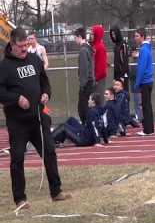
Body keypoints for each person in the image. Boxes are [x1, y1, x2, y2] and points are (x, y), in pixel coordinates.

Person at [0, 27, 71, 209]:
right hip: (18, 122)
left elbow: (44, 81)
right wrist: (16, 99)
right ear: (12, 44)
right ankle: (20, 199)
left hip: (38, 118)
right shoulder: (5, 67)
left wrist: (46, 93)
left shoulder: (34, 59)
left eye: (26, 45)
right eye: (21, 46)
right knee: (17, 159)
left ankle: (56, 191)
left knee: (49, 152)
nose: (24, 50)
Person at [133, 28, 154, 136]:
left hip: (145, 82)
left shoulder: (144, 49)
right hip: (149, 81)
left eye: (137, 36)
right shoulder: (147, 48)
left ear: (142, 36)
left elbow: (141, 68)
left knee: (145, 106)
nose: (135, 38)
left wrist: (137, 83)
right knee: (147, 105)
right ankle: (150, 129)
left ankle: (147, 129)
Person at [75, 27, 96, 124]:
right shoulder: (88, 48)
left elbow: (84, 70)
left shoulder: (83, 50)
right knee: (86, 107)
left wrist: (82, 85)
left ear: (79, 37)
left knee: (82, 109)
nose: (75, 40)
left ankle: (87, 128)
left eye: (75, 37)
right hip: (90, 82)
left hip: (86, 84)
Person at [110, 25, 130, 91]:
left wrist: (123, 76)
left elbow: (125, 61)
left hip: (123, 75)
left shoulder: (123, 44)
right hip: (117, 75)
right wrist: (114, 77)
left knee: (124, 94)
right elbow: (116, 63)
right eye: (112, 34)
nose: (113, 36)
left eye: (114, 34)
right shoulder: (116, 45)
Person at [92, 24, 108, 106]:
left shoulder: (100, 47)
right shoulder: (94, 46)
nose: (91, 35)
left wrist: (96, 78)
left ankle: (102, 117)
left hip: (99, 78)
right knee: (95, 100)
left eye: (93, 33)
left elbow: (102, 66)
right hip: (95, 77)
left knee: (100, 100)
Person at [129, 44, 143, 124]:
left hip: (137, 85)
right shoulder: (134, 60)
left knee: (138, 103)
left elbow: (134, 73)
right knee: (137, 103)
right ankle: (140, 117)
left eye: (132, 51)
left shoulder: (137, 60)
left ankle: (140, 117)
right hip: (135, 85)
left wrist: (128, 74)